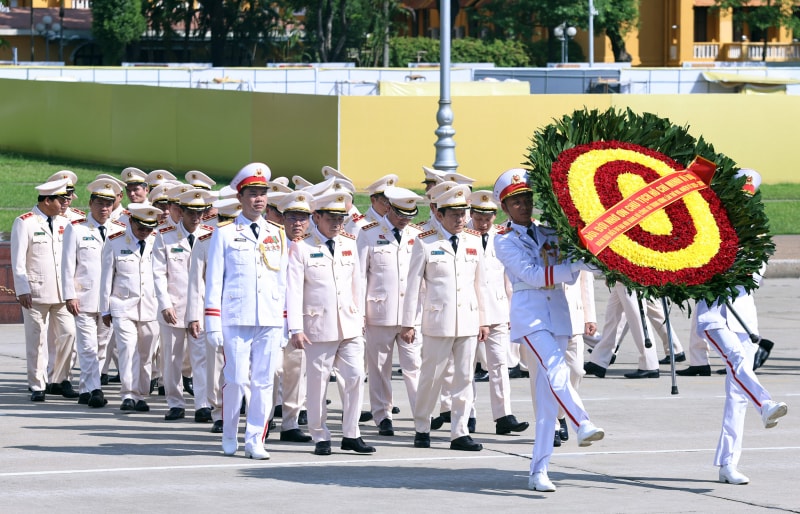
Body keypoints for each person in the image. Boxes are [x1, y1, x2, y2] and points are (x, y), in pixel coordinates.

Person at [492, 169, 604, 492]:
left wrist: (595, 250)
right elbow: (534, 275)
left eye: (527, 199)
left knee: (546, 400)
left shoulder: (550, 232)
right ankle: (582, 422)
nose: (524, 206)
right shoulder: (503, 240)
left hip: (557, 316)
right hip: (530, 319)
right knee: (558, 368)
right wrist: (574, 267)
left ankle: (538, 471)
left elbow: (585, 263)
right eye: (516, 201)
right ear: (505, 207)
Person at [697, 168, 787, 485]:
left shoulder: (757, 239)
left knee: (737, 394)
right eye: (739, 201)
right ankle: (765, 403)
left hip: (744, 319)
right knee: (737, 363)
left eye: (748, 201)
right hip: (713, 315)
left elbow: (753, 278)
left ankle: (727, 464)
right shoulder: (706, 229)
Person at [204, 163, 288, 459]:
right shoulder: (225, 233)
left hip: (268, 317)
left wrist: (285, 321)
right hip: (236, 317)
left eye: (262, 194)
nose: (259, 200)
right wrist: (212, 322)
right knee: (236, 380)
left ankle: (255, 439)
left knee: (264, 382)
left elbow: (283, 279)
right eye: (252, 194)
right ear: (240, 198)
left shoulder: (277, 233)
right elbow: (214, 279)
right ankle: (229, 433)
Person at [400, 184, 489, 452]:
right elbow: (413, 286)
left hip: (468, 321)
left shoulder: (473, 241)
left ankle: (459, 432)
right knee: (431, 377)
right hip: (437, 322)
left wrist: (483, 320)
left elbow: (479, 285)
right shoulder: (425, 242)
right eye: (454, 215)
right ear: (439, 215)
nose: (460, 220)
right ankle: (422, 425)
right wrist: (407, 323)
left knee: (464, 378)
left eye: (463, 214)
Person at [287, 190, 375, 456]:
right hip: (317, 327)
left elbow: (357, 284)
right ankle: (320, 435)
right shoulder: (302, 247)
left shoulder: (349, 243)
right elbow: (293, 290)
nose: (338, 223)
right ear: (317, 216)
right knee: (318, 383)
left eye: (341, 217)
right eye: (332, 218)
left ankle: (351, 433)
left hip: (348, 325)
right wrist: (295, 327)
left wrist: (359, 318)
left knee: (355, 377)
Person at [357, 186, 424, 437]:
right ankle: (382, 415)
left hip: (411, 315)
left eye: (410, 214)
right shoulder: (369, 234)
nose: (406, 219)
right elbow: (360, 276)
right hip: (379, 311)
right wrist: (360, 313)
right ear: (389, 208)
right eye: (401, 214)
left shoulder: (418, 235)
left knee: (414, 365)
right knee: (379, 367)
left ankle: (421, 414)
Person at [466, 190, 529, 436]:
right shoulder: (463, 237)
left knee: (500, 365)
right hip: (470, 313)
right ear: (472, 215)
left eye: (488, 218)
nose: (483, 223)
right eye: (479, 218)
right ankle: (467, 414)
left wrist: (514, 311)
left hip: (498, 310)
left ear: (495, 216)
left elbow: (509, 278)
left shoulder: (503, 237)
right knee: (466, 368)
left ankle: (503, 415)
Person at [11, 178, 78, 401]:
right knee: (36, 340)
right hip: (35, 292)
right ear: (47, 200)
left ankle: (58, 380)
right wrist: (22, 289)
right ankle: (37, 385)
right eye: (61, 199)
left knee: (69, 334)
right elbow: (18, 260)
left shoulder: (65, 222)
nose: (65, 203)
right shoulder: (25, 222)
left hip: (62, 293)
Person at [62, 178, 126, 407]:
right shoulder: (76, 228)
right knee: (87, 346)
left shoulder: (119, 230)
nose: (104, 208)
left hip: (109, 300)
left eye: (109, 203)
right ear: (91, 203)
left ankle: (85, 389)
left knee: (101, 348)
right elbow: (67, 265)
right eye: (100, 203)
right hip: (83, 298)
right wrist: (69, 295)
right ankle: (96, 389)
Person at [153, 189, 216, 422]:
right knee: (171, 360)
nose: (197, 217)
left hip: (199, 310)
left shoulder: (210, 235)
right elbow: (158, 273)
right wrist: (164, 304)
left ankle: (202, 404)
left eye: (201, 212)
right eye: (192, 213)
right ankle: (175, 402)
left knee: (201, 359)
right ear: (180, 212)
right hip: (174, 307)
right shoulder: (164, 235)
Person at [100, 203, 163, 413]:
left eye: (149, 228)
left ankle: (141, 394)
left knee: (146, 354)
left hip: (151, 307)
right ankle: (128, 394)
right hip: (123, 306)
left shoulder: (157, 242)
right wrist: (105, 309)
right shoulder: (115, 242)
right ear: (131, 222)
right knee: (127, 350)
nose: (145, 232)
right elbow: (106, 278)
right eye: (141, 228)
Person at [187, 198, 242, 434]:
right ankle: (219, 413)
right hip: (216, 313)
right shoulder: (205, 242)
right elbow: (196, 284)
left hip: (246, 313)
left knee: (246, 368)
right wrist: (194, 316)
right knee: (216, 366)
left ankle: (243, 411)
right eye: (224, 220)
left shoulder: (253, 240)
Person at [273, 191, 314, 444]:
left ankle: (289, 424)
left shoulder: (311, 247)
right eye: (291, 218)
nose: (297, 223)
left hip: (301, 321)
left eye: (302, 218)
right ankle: (264, 420)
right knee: (271, 372)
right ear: (282, 219)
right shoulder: (270, 243)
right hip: (273, 320)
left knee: (296, 373)